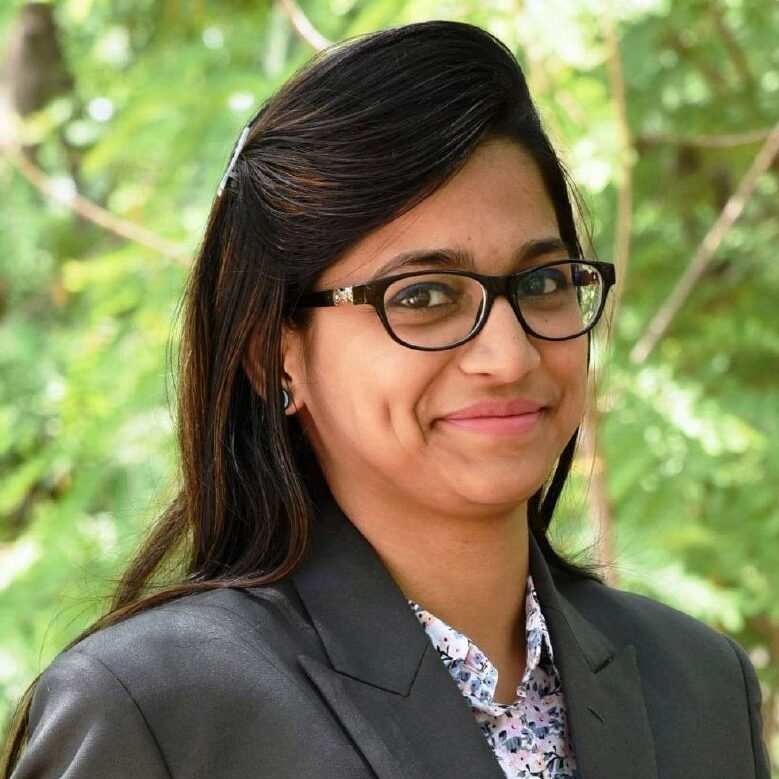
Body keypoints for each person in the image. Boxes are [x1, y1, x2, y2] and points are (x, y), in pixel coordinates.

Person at [2, 20, 770, 779]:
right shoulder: (159, 712)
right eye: (423, 295)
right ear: (274, 353)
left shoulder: (698, 685)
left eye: (541, 283)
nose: (509, 355)